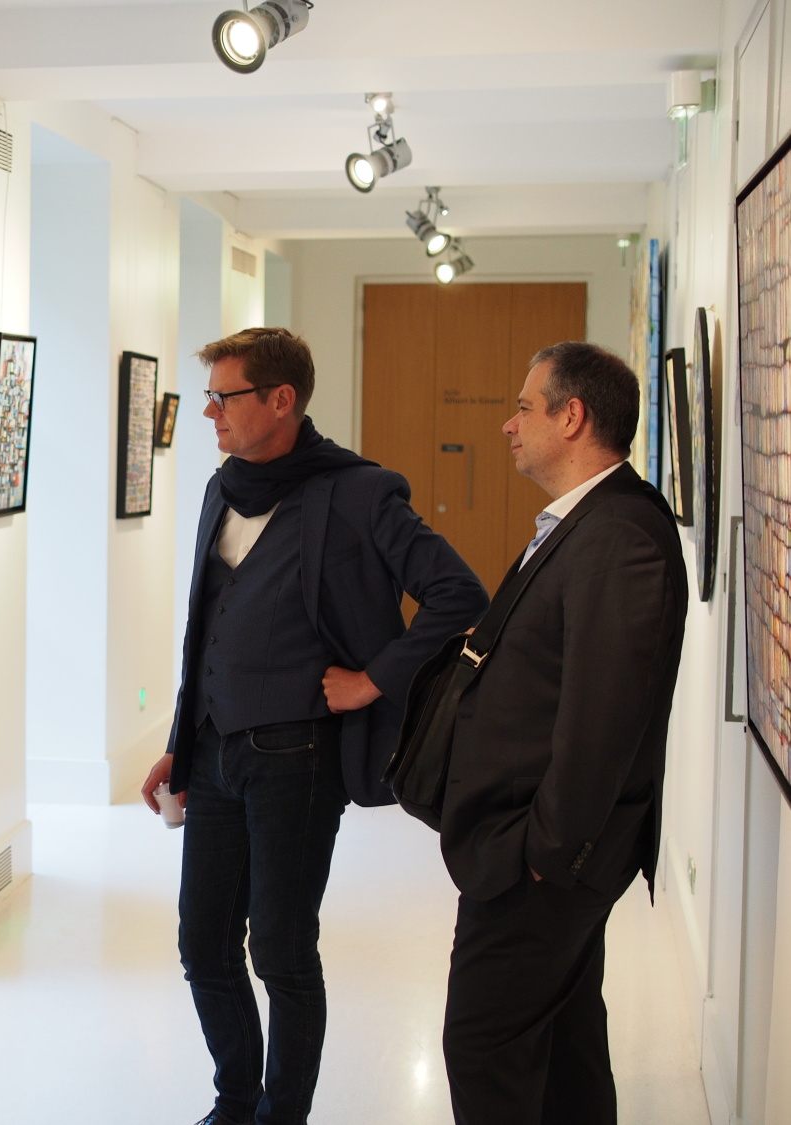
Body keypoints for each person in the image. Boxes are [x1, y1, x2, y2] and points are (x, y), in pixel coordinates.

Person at [140, 327, 488, 1125]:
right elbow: (206, 629)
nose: (209, 413)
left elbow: (459, 594)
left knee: (282, 950)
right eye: (209, 398)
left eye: (223, 398)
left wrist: (374, 679)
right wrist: (180, 742)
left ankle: (281, 1115)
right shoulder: (221, 489)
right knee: (203, 945)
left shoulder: (359, 492)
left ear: (281, 400)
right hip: (215, 749)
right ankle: (235, 1101)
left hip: (296, 757)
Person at [439, 342, 689, 1124]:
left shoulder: (618, 535)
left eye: (524, 407)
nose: (509, 425)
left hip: (543, 861)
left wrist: (543, 854)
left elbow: (601, 721)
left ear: (572, 416)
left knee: (483, 1046)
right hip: (544, 850)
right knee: (564, 1047)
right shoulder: (591, 522)